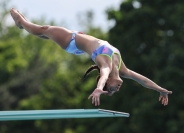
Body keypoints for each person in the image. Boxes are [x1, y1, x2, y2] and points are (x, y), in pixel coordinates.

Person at [10, 8, 172, 106]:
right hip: (80, 38)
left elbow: (102, 77)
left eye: (113, 89)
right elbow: (143, 80)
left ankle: (21, 23)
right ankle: (23, 21)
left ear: (108, 82)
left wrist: (99, 89)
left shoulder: (106, 67)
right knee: (44, 33)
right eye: (115, 89)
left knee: (43, 29)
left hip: (71, 42)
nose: (117, 89)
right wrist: (159, 89)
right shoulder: (122, 69)